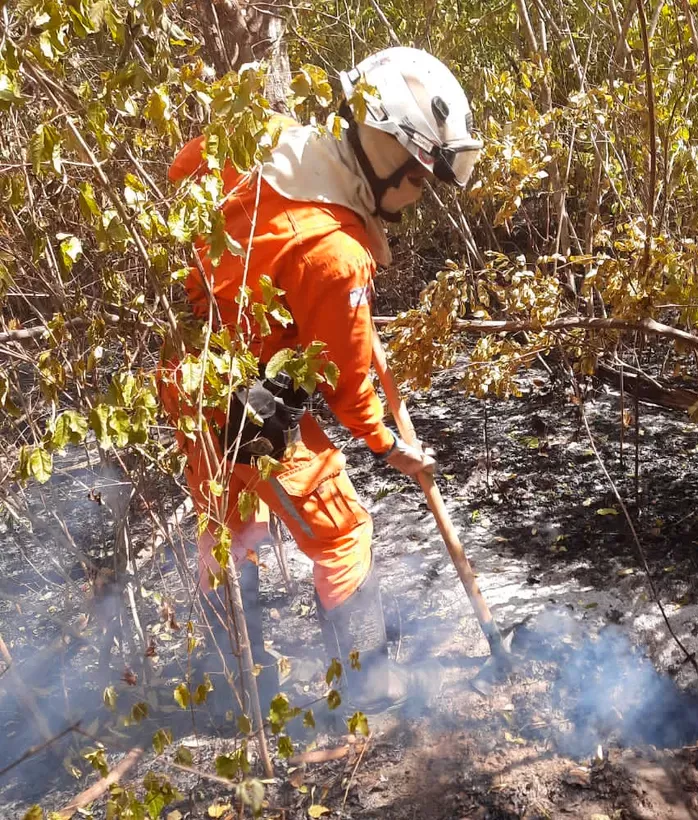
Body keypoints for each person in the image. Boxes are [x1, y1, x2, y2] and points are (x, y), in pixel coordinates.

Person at [158, 48, 482, 719]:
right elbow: (347, 384)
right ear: (384, 152)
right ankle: (367, 694)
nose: (418, 198)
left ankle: (233, 692)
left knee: (229, 525)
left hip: (186, 374)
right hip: (243, 408)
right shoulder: (335, 256)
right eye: (419, 180)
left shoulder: (274, 140)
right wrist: (390, 444)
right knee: (342, 533)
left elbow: (184, 166)